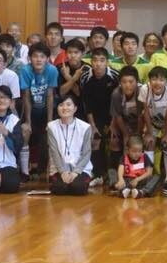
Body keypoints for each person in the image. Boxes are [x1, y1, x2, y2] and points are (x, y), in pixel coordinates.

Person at [19, 43, 59, 178]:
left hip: (46, 108)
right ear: (30, 58)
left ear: (47, 59)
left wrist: (50, 121)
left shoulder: (52, 70)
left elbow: (50, 95)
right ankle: (24, 171)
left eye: (42, 57)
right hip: (30, 108)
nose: (39, 59)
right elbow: (26, 97)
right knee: (26, 131)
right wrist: (28, 122)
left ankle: (50, 171)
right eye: (35, 56)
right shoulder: (25, 70)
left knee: (50, 133)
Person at [82, 47, 120, 184]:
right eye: (95, 60)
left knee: (114, 140)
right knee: (95, 140)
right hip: (95, 115)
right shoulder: (85, 77)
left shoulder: (115, 76)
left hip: (113, 114)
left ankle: (114, 175)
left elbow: (118, 102)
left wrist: (113, 124)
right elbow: (87, 103)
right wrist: (92, 126)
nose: (98, 64)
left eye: (102, 60)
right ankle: (98, 174)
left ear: (107, 62)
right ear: (91, 62)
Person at [47, 94, 93, 196]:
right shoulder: (51, 127)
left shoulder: (85, 127)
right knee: (60, 188)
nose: (64, 108)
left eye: (68, 105)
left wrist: (76, 172)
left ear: (75, 108)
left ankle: (76, 181)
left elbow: (86, 153)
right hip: (59, 169)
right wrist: (63, 172)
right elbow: (54, 152)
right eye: (61, 105)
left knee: (78, 187)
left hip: (80, 169)